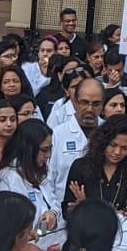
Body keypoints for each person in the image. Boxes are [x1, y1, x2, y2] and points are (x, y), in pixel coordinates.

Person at [64, 113, 127, 219]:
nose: (117, 152)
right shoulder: (81, 167)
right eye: (113, 145)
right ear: (103, 141)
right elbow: (67, 210)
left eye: (125, 148)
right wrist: (78, 208)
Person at [0, 118, 59, 234]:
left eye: (50, 149)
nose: (48, 155)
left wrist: (52, 214)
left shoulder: (39, 172)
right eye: (44, 150)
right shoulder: (8, 177)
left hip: (43, 241)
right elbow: (11, 223)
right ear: (29, 149)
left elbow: (54, 202)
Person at [49, 78, 104, 206]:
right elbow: (48, 179)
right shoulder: (57, 134)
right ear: (75, 101)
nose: (90, 109)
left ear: (102, 104)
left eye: (96, 104)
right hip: (62, 215)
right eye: (85, 102)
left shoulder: (109, 133)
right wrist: (55, 212)